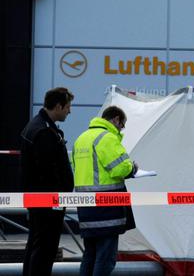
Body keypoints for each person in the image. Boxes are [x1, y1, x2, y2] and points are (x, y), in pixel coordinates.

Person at [73, 106, 137, 276]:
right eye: (121, 125)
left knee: (89, 255)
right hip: (106, 208)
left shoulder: (81, 138)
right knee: (105, 259)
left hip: (85, 207)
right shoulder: (106, 138)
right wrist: (133, 168)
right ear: (115, 119)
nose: (120, 129)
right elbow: (120, 168)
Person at [20, 87, 75, 276]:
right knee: (45, 249)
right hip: (48, 203)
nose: (70, 111)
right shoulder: (43, 132)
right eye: (68, 106)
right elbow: (48, 171)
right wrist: (58, 200)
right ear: (58, 106)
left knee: (37, 246)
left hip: (42, 201)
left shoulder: (39, 127)